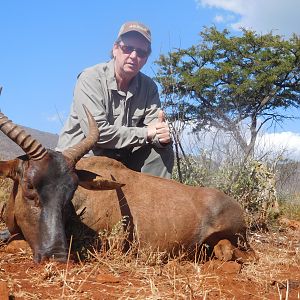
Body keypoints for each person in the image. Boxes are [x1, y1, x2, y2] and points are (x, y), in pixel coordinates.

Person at [56, 21, 174, 178]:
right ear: (115, 49)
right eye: (128, 49)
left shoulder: (149, 87)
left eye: (141, 52)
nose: (133, 56)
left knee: (162, 150)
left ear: (146, 59)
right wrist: (147, 133)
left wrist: (162, 137)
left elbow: (155, 130)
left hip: (120, 162)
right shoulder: (90, 78)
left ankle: (154, 201)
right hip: (81, 159)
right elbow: (98, 134)